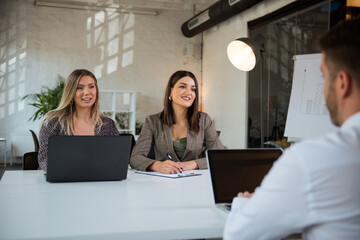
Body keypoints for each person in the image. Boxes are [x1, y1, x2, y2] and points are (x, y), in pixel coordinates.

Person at [224, 18, 360, 240]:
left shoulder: (312, 161)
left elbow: (239, 235)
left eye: (324, 78)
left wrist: (243, 203)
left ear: (342, 83)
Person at [130, 70, 224, 174]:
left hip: (196, 180)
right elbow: (135, 158)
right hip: (163, 182)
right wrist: (157, 165)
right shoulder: (152, 121)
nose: (189, 92)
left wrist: (194, 164)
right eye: (182, 86)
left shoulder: (204, 119)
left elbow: (219, 155)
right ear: (170, 91)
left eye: (193, 89)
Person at [38, 69, 119, 171]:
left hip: (98, 181)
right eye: (79, 88)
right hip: (63, 182)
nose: (87, 92)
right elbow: (44, 158)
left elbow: (116, 158)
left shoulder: (108, 125)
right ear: (71, 92)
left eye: (91, 86)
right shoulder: (53, 123)